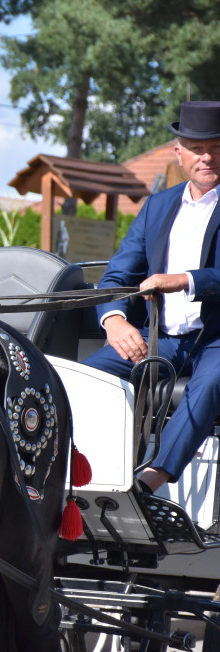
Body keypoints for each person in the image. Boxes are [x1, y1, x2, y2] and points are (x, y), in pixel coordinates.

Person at [84, 100, 220, 493]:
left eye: (216, 146)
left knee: (212, 382)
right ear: (179, 152)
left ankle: (149, 482)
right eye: (197, 148)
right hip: (159, 339)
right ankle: (86, 476)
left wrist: (185, 279)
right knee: (85, 377)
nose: (206, 156)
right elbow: (117, 275)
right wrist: (114, 321)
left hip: (214, 341)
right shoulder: (157, 206)